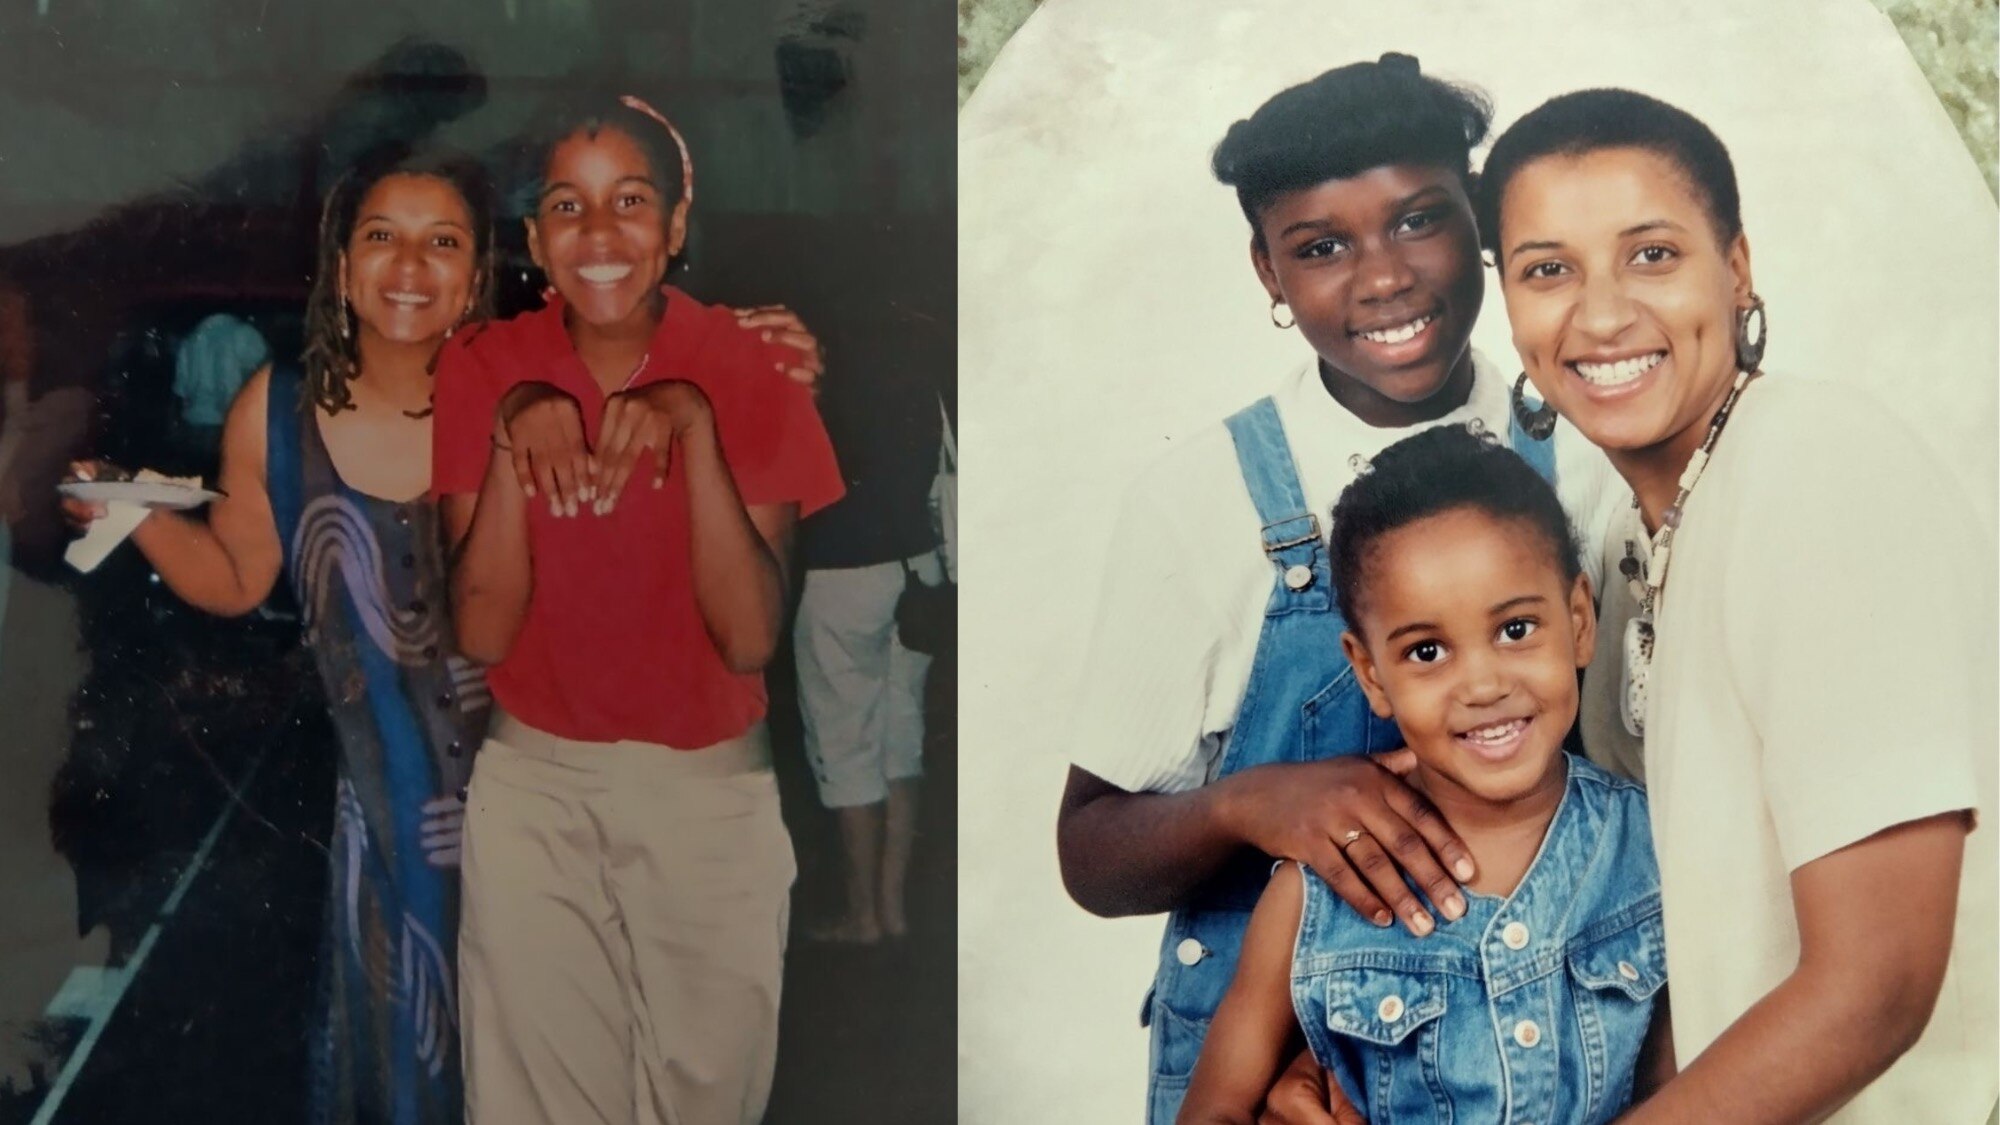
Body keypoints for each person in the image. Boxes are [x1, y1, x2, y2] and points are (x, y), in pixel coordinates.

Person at [61, 143, 822, 1125]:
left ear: (478, 271)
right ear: (342, 266)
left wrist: (763, 345)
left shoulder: (535, 379)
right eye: (382, 238)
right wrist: (146, 523)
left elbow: (665, 355)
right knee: (413, 1063)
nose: (410, 269)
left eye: (443, 242)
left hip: (542, 790)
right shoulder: (280, 412)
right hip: (392, 825)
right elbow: (240, 574)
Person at [1050, 54, 1626, 1125]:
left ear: (1482, 225)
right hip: (1260, 1086)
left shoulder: (1591, 467)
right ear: (1268, 274)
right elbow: (1090, 856)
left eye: (1417, 222)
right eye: (1319, 248)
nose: (1382, 279)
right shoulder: (1201, 497)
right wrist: (1245, 803)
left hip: (1548, 1068)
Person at [1476, 87, 1995, 1123]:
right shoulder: (1621, 536)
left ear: (1737, 269)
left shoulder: (1817, 469)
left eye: (1651, 255)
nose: (1601, 313)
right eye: (1546, 271)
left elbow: (1873, 986)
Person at [434, 91, 843, 1125]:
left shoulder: (752, 365)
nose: (600, 235)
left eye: (629, 202)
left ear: (673, 223)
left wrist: (696, 429)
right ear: (533, 237)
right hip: (532, 794)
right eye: (567, 208)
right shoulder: (486, 369)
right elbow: (479, 632)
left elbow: (749, 637)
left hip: (706, 808)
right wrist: (505, 435)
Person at [1181, 424, 1671, 1124]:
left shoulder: (1653, 848)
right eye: (1428, 649)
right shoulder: (1309, 895)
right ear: (1370, 673)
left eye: (1515, 629)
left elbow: (1695, 1089)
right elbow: (1212, 1110)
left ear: (1579, 619)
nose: (1481, 683)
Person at [793, 308, 947, 945]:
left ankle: (864, 917)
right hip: (918, 575)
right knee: (899, 740)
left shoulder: (824, 392)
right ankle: (894, 908)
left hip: (841, 576)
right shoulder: (921, 380)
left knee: (845, 741)